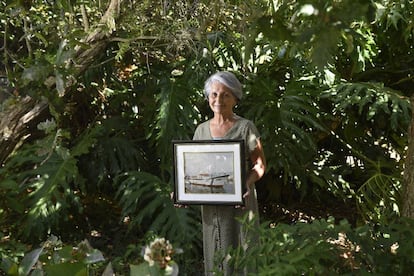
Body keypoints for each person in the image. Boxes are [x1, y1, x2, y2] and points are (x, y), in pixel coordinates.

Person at [193, 71, 266, 275]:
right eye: (214, 94)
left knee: (243, 249)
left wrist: (247, 183)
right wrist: (183, 191)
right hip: (210, 204)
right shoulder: (201, 131)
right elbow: (195, 168)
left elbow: (259, 164)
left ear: (235, 98)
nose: (219, 100)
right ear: (208, 98)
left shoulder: (245, 128)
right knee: (215, 251)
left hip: (240, 201)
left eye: (226, 95)